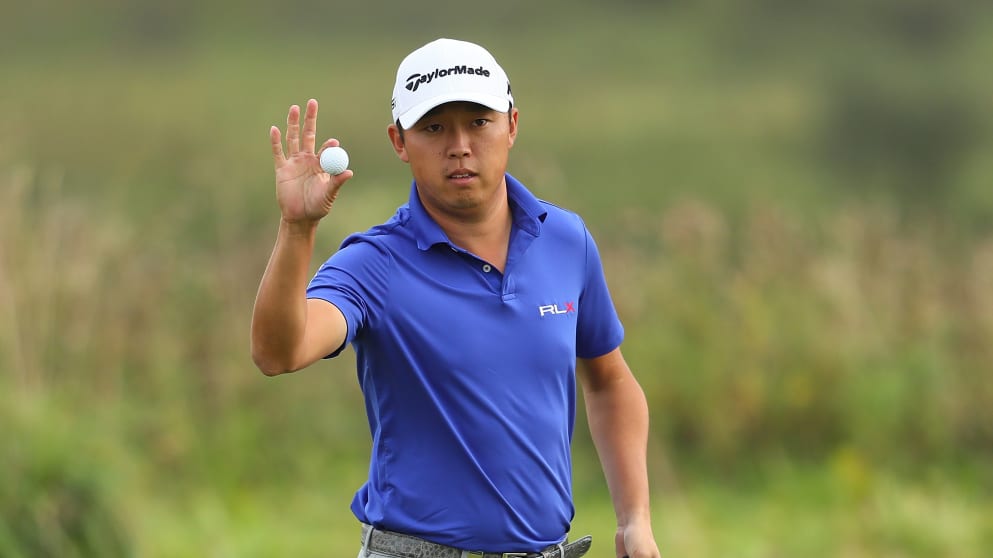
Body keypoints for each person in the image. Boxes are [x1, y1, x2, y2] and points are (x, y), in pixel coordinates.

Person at [251, 38, 661, 558]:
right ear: (399, 141)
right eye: (434, 127)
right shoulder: (375, 263)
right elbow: (278, 352)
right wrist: (297, 228)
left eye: (479, 122)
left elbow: (610, 381)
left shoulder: (566, 239)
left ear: (511, 125)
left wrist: (634, 520)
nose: (460, 145)